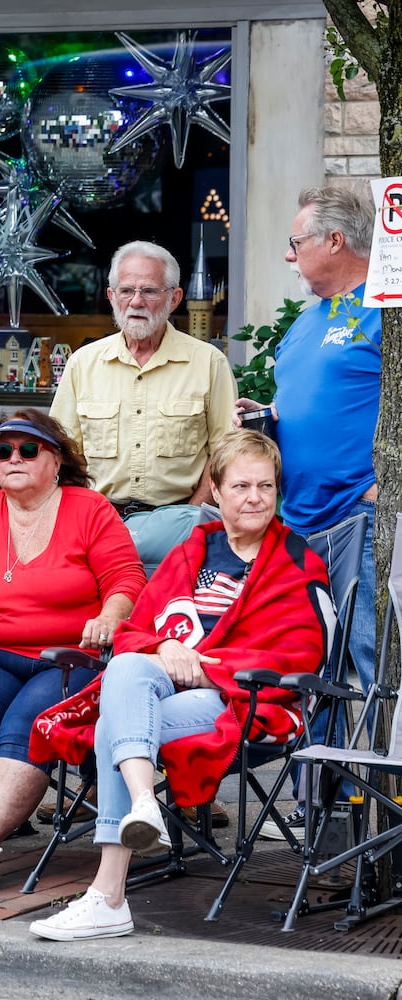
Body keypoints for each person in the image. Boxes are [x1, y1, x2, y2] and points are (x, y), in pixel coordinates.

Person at [26, 431, 329, 940]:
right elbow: (135, 629)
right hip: (161, 687)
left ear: (278, 491)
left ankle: (108, 895)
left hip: (238, 701)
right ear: (214, 489)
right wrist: (164, 649)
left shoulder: (295, 563)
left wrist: (206, 665)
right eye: (240, 486)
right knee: (128, 667)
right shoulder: (194, 549)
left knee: (112, 732)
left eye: (265, 486)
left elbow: (299, 654)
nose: (254, 497)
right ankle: (144, 809)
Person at [0, 409, 145, 892]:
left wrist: (109, 617)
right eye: (3, 450)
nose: (13, 457)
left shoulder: (90, 509)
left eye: (28, 449)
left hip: (71, 657)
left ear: (55, 459)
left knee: (27, 723)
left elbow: (127, 580)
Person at [236, 185, 381, 841]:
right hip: (300, 522)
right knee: (310, 665)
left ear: (334, 241)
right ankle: (318, 804)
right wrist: (263, 421)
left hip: (362, 516)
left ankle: (386, 808)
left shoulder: (387, 311)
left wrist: (386, 489)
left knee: (375, 662)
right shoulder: (307, 318)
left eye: (296, 243)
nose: (288, 255)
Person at [51, 241, 237, 515]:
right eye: (126, 291)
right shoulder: (83, 363)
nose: (136, 301)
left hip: (180, 520)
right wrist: (88, 514)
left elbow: (227, 451)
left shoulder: (209, 363)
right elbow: (62, 451)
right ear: (112, 297)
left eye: (149, 291)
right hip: (100, 521)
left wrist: (192, 516)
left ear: (174, 298)